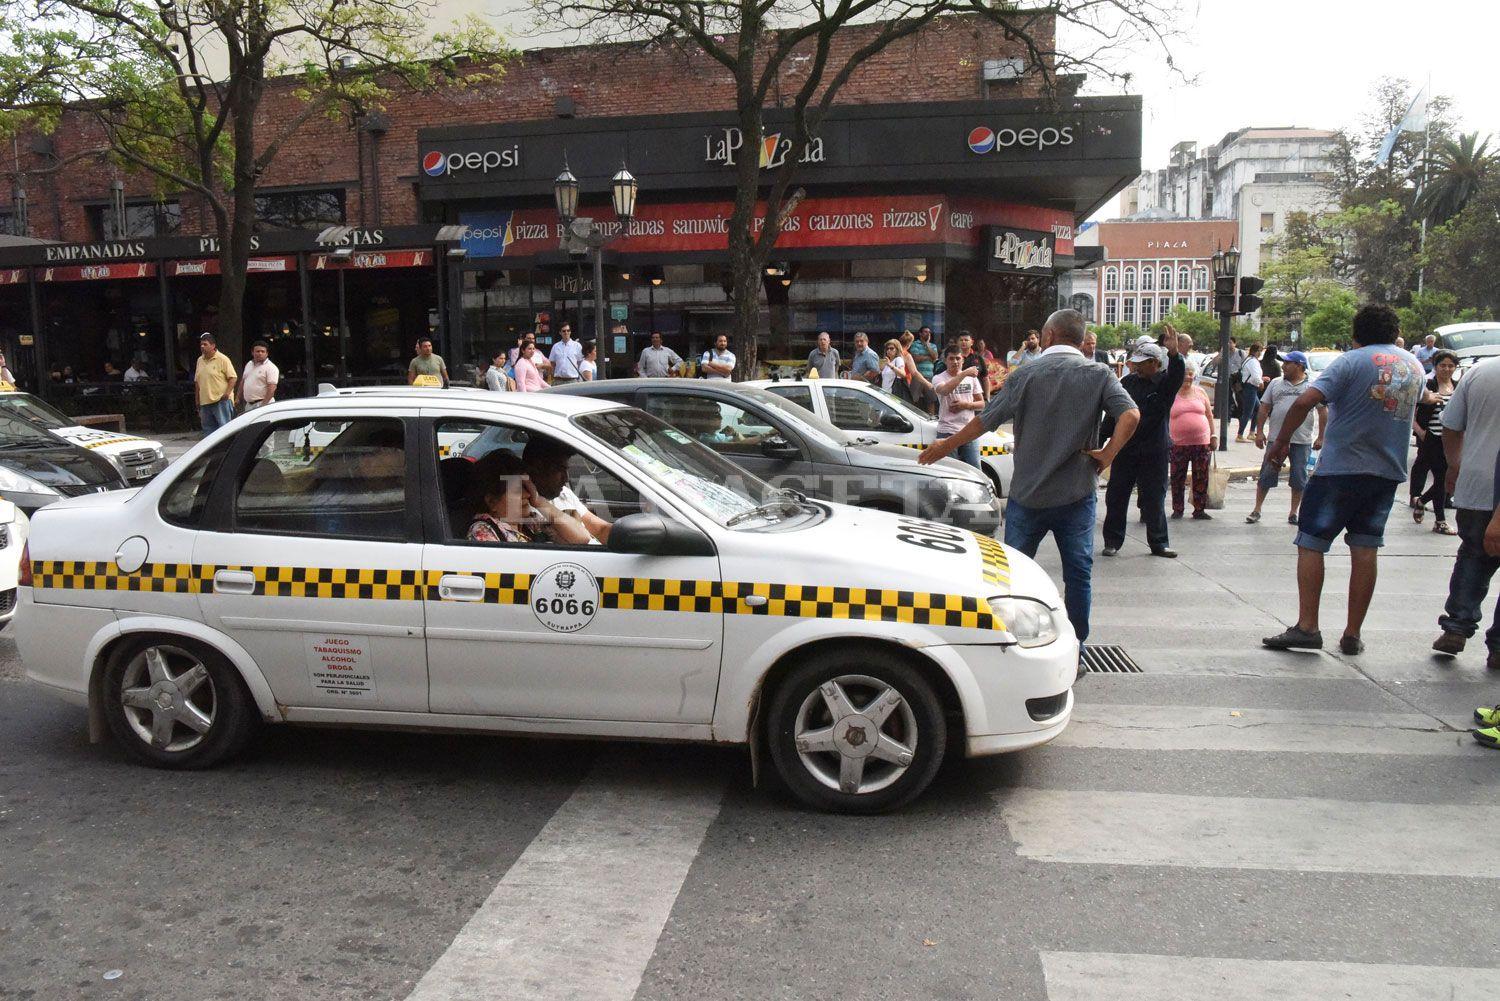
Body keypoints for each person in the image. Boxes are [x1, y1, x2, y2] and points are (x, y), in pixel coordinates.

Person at [919, 309, 1140, 643]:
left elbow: (986, 421)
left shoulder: (1026, 374)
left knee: (1012, 576)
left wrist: (943, 446)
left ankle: (1013, 641)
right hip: (1077, 494)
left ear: (1048, 336)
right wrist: (1107, 456)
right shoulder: (1098, 373)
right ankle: (1077, 646)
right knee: (1078, 575)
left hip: (1028, 495)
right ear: (1080, 340)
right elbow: (1131, 415)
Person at [1262, 305, 1425, 655]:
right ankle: (1353, 632)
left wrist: (1280, 441)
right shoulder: (1414, 366)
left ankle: (1308, 626)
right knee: (1366, 547)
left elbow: (1307, 399)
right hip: (1386, 471)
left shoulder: (1351, 361)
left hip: (1340, 469)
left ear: (1357, 332)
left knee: (1311, 542)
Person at [1431, 352, 1500, 665]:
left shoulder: (1480, 372)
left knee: (1473, 554)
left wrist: (1455, 465)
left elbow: (1451, 427)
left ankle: (1457, 626)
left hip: (1477, 483)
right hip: (1484, 483)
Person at [1102, 330, 1186, 557]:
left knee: (1154, 499)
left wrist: (1175, 353)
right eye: (1135, 362)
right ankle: (1112, 541)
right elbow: (1113, 413)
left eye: (1142, 363)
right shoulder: (1128, 382)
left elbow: (1178, 374)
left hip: (1154, 451)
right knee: (1116, 496)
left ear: (1155, 363)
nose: (1137, 367)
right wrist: (1102, 440)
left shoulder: (1165, 383)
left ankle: (1159, 543)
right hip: (1126, 448)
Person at [1248, 351, 1326, 526]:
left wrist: (1321, 436)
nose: (1283, 366)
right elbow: (1264, 408)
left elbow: (1322, 411)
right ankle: (1257, 509)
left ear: (1299, 366)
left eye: (1287, 364)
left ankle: (1294, 512)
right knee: (1266, 474)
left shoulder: (1312, 386)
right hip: (1276, 439)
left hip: (1302, 440)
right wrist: (1259, 432)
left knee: (1299, 477)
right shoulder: (1276, 383)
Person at [463, 450, 592, 546]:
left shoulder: (529, 523)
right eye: (517, 490)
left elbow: (582, 538)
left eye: (526, 487)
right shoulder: (483, 530)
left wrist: (539, 501)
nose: (527, 495)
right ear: (492, 502)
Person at [522, 435, 612, 544]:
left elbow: (600, 529)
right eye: (560, 470)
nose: (566, 478)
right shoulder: (521, 505)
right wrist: (540, 502)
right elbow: (582, 540)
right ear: (538, 467)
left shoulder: (563, 493)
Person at [1409, 350, 1459, 534]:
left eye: (1450, 366)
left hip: (1452, 440)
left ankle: (1421, 501)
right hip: (1432, 439)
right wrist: (1421, 432)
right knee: (1441, 477)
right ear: (1435, 366)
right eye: (1443, 365)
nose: (1446, 369)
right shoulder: (1428, 386)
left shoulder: (1458, 386)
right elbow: (1411, 411)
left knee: (1447, 478)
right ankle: (1440, 520)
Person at [1169, 361, 1216, 520]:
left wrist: (1213, 436)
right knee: (1177, 477)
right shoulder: (1171, 393)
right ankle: (1177, 508)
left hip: (1201, 442)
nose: (1187, 377)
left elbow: (1209, 416)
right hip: (1178, 443)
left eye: (1190, 374)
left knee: (1201, 476)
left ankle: (1199, 509)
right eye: (1184, 374)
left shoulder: (1201, 392)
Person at [931, 343, 984, 468]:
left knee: (975, 468)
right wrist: (964, 373)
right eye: (951, 358)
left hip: (969, 429)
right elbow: (944, 391)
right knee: (951, 470)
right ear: (945, 361)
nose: (955, 362)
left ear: (963, 359)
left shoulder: (972, 379)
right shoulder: (938, 378)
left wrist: (965, 405)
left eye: (958, 358)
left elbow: (981, 404)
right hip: (947, 430)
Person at [193, 333, 236, 433]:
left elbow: (233, 377)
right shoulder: (200, 360)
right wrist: (197, 400)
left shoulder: (223, 359)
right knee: (208, 431)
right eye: (201, 345)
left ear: (213, 345)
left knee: (224, 430)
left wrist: (227, 393)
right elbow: (197, 382)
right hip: (205, 402)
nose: (202, 347)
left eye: (205, 344)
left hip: (220, 401)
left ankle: (226, 448)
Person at [237, 340, 279, 411]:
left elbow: (272, 388)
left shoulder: (271, 367)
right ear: (252, 352)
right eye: (257, 351)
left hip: (264, 404)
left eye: (263, 351)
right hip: (249, 405)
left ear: (267, 353)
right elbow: (243, 381)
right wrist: (237, 397)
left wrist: (263, 405)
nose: (260, 353)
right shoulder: (249, 364)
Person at [1235, 342, 1264, 442]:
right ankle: (1240, 434)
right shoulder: (1253, 361)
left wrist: (1262, 379)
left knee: (1258, 409)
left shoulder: (1250, 360)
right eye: (1259, 351)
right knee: (1248, 412)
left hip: (1250, 387)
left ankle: (1251, 432)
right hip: (1250, 388)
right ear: (1255, 351)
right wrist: (1261, 383)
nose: (1260, 353)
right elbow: (1255, 375)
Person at [908, 326, 940, 413]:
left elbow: (935, 357)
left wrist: (927, 345)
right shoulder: (915, 344)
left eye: (929, 332)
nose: (928, 334)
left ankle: (932, 418)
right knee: (913, 400)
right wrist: (927, 357)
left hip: (929, 377)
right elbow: (915, 358)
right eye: (925, 332)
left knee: (931, 400)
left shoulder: (933, 345)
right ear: (920, 333)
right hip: (917, 376)